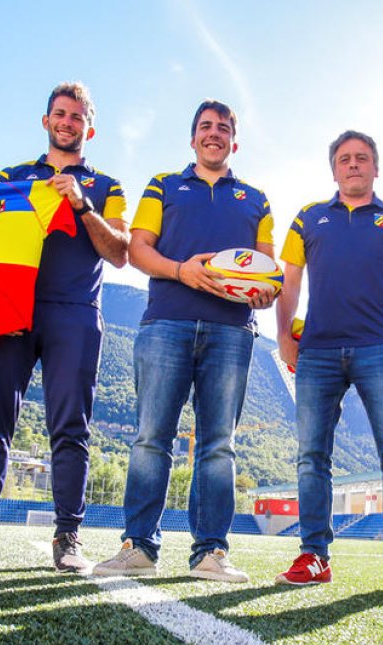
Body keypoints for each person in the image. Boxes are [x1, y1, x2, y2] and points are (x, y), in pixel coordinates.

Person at [0, 82, 129, 574]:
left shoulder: (107, 185)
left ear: (90, 128)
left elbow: (121, 251)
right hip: (9, 308)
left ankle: (69, 537)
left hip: (75, 313)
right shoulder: (11, 176)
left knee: (70, 428)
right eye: (59, 114)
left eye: (77, 116)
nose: (67, 122)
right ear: (46, 121)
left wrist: (82, 204)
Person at [92, 100, 276, 582]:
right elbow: (136, 250)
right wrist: (182, 272)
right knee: (152, 439)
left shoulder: (256, 198)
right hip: (166, 324)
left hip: (233, 331)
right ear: (192, 138)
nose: (214, 134)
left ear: (234, 141)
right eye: (205, 127)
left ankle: (211, 552)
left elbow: (268, 271)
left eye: (223, 128)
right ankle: (139, 547)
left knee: (219, 445)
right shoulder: (163, 185)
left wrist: (263, 292)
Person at [274, 131, 383, 593]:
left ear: (376, 168)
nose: (353, 164)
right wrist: (284, 335)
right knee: (311, 456)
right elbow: (289, 283)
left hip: (380, 348)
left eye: (362, 158)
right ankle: (315, 555)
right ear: (334, 169)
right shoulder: (308, 218)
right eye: (344, 159)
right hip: (318, 351)